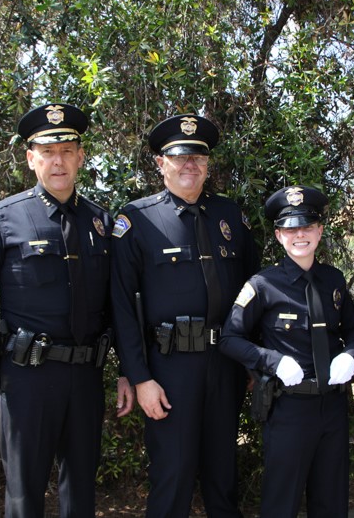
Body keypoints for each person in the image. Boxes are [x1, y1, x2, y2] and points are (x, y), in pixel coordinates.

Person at [0, 103, 134, 517]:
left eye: (68, 151)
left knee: (81, 493)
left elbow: (118, 305)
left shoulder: (100, 222)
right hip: (27, 379)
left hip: (85, 376)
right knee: (25, 493)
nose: (59, 161)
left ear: (81, 157)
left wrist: (128, 369)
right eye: (48, 152)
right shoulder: (3, 219)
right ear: (31, 158)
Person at [111, 113, 260, 517]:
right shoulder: (136, 220)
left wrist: (251, 361)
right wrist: (140, 377)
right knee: (172, 477)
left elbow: (253, 291)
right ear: (161, 163)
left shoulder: (231, 217)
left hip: (225, 364)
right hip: (169, 367)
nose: (189, 164)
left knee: (223, 476)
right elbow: (122, 306)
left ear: (208, 163)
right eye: (179, 157)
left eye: (198, 156)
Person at [220, 185, 354, 518]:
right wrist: (273, 361)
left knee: (332, 503)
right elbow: (230, 337)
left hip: (332, 406)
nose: (299, 235)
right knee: (280, 504)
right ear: (278, 235)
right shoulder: (262, 285)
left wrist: (352, 355)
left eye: (307, 226)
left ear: (320, 230)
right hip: (288, 408)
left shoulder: (334, 280)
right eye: (290, 228)